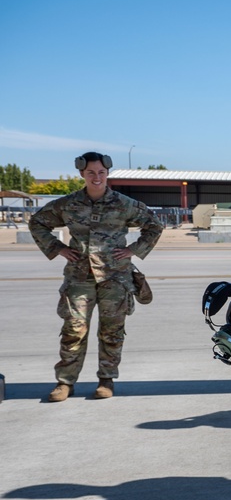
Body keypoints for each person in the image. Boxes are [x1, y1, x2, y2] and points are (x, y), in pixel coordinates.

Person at [29, 152, 162, 402]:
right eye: (91, 172)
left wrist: (133, 249)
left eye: (101, 172)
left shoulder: (124, 204)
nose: (97, 177)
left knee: (112, 331)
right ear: (82, 174)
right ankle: (65, 382)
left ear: (107, 173)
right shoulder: (68, 204)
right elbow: (37, 222)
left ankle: (106, 379)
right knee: (73, 328)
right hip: (79, 276)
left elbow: (154, 225)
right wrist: (58, 248)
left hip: (116, 277)